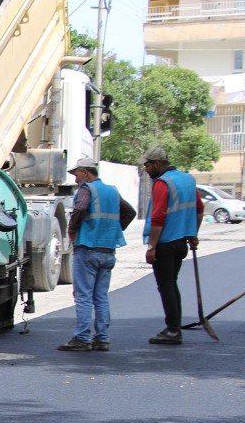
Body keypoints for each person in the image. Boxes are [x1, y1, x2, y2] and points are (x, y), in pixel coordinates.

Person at [57, 157, 137, 352]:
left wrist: (72, 230)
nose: (75, 180)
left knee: (83, 295)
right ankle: (102, 338)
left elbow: (80, 209)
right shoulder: (112, 191)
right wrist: (112, 231)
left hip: (88, 248)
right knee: (100, 296)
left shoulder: (87, 190)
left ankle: (82, 338)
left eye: (76, 174)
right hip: (108, 250)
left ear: (85, 172)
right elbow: (129, 212)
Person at [140, 146, 204, 345]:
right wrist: (193, 233)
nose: (146, 169)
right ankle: (173, 326)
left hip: (165, 244)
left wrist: (152, 247)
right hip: (181, 243)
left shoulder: (162, 183)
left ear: (158, 163)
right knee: (171, 284)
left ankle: (173, 330)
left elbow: (158, 216)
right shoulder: (187, 179)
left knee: (166, 286)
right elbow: (199, 210)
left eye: (148, 165)